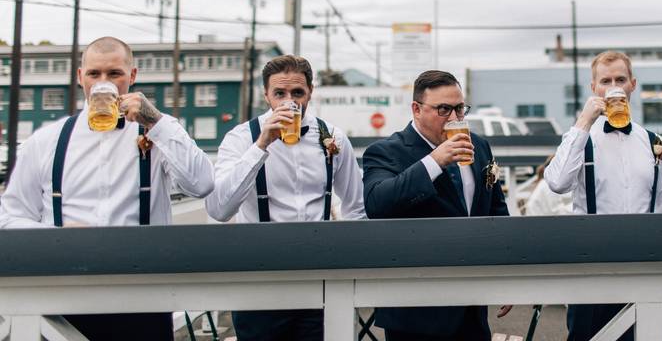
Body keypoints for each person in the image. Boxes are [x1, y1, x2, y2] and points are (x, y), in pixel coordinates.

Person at [0, 36, 214, 341]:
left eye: (114, 74)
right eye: (94, 74)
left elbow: (202, 184)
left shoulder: (159, 133)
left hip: (142, 293)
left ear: (132, 76)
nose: (104, 82)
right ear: (80, 77)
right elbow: (9, 216)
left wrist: (156, 120)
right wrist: (56, 234)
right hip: (63, 295)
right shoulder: (46, 141)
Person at [206, 54, 365, 341]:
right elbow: (219, 208)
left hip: (321, 280)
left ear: (310, 92)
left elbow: (356, 208)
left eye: (297, 92)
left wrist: (347, 271)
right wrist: (261, 145)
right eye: (280, 93)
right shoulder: (241, 138)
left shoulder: (334, 137)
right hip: (259, 280)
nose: (289, 101)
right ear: (266, 95)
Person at [362, 70, 510, 341]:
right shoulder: (386, 151)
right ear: (416, 109)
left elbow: (496, 211)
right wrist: (433, 162)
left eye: (459, 109)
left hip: (471, 302)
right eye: (444, 109)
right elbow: (377, 204)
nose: (454, 118)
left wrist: (507, 275)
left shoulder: (479, 146)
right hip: (415, 305)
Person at [545, 51, 662, 341]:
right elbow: (556, 182)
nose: (613, 86)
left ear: (632, 85)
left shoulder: (654, 143)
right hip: (591, 267)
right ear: (594, 88)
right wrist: (582, 123)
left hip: (643, 267)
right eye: (605, 80)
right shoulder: (582, 140)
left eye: (620, 79)